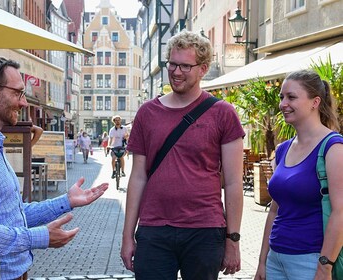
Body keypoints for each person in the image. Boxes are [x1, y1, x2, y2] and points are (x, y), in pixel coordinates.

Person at [0, 53, 109, 279]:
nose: (24, 102)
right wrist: (40, 237)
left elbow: (11, 215)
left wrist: (66, 201)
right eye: (17, 93)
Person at [120, 30, 245, 279]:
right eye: (173, 64)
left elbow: (233, 183)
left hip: (205, 229)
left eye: (185, 66)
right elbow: (137, 177)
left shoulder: (223, 113)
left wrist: (233, 240)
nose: (176, 72)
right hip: (154, 229)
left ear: (203, 68)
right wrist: (127, 236)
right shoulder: (147, 113)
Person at [254, 70, 343, 280]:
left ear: (315, 102)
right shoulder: (283, 149)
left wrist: (324, 266)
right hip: (276, 259)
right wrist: (262, 261)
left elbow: (340, 212)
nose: (283, 103)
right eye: (281, 97)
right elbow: (275, 210)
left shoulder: (333, 147)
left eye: (291, 97)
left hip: (310, 261)